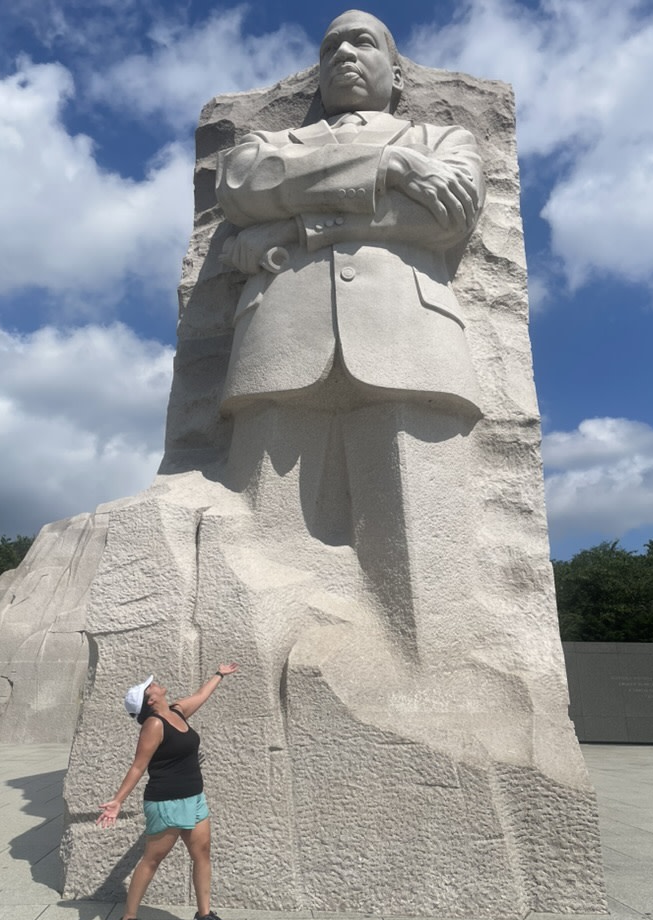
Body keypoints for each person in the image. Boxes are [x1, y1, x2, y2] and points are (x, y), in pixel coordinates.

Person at [214, 9, 485, 646]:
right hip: (280, 342)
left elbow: (445, 219)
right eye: (331, 45)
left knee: (426, 558)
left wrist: (299, 226)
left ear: (397, 72)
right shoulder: (269, 145)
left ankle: (436, 682)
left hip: (410, 342)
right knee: (260, 550)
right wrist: (390, 170)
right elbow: (244, 187)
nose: (344, 53)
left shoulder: (442, 139)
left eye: (363, 42)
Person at [97, 663, 238, 920]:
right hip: (166, 801)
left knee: (202, 854)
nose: (155, 684)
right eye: (149, 687)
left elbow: (201, 695)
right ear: (150, 701)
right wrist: (118, 801)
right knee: (152, 860)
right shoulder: (154, 725)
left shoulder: (176, 711)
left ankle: (204, 915)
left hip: (194, 798)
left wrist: (219, 674)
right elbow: (138, 766)